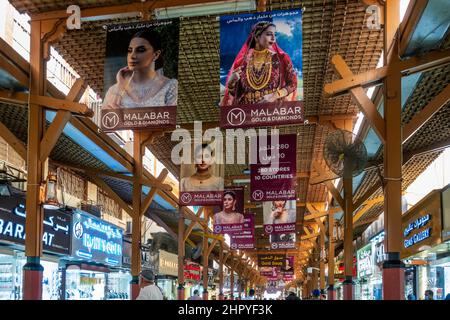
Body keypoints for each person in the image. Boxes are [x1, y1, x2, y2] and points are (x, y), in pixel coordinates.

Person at [221, 21, 297, 106]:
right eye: (269, 34)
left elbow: (293, 84)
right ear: (257, 37)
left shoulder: (281, 58)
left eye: (274, 34)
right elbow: (236, 94)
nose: (273, 38)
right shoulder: (242, 62)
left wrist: (274, 96)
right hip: (247, 112)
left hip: (273, 110)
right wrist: (231, 83)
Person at [103, 29, 178, 109]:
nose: (132, 56)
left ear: (156, 55)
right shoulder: (114, 90)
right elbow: (104, 119)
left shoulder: (170, 86)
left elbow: (171, 120)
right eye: (130, 50)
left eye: (140, 50)